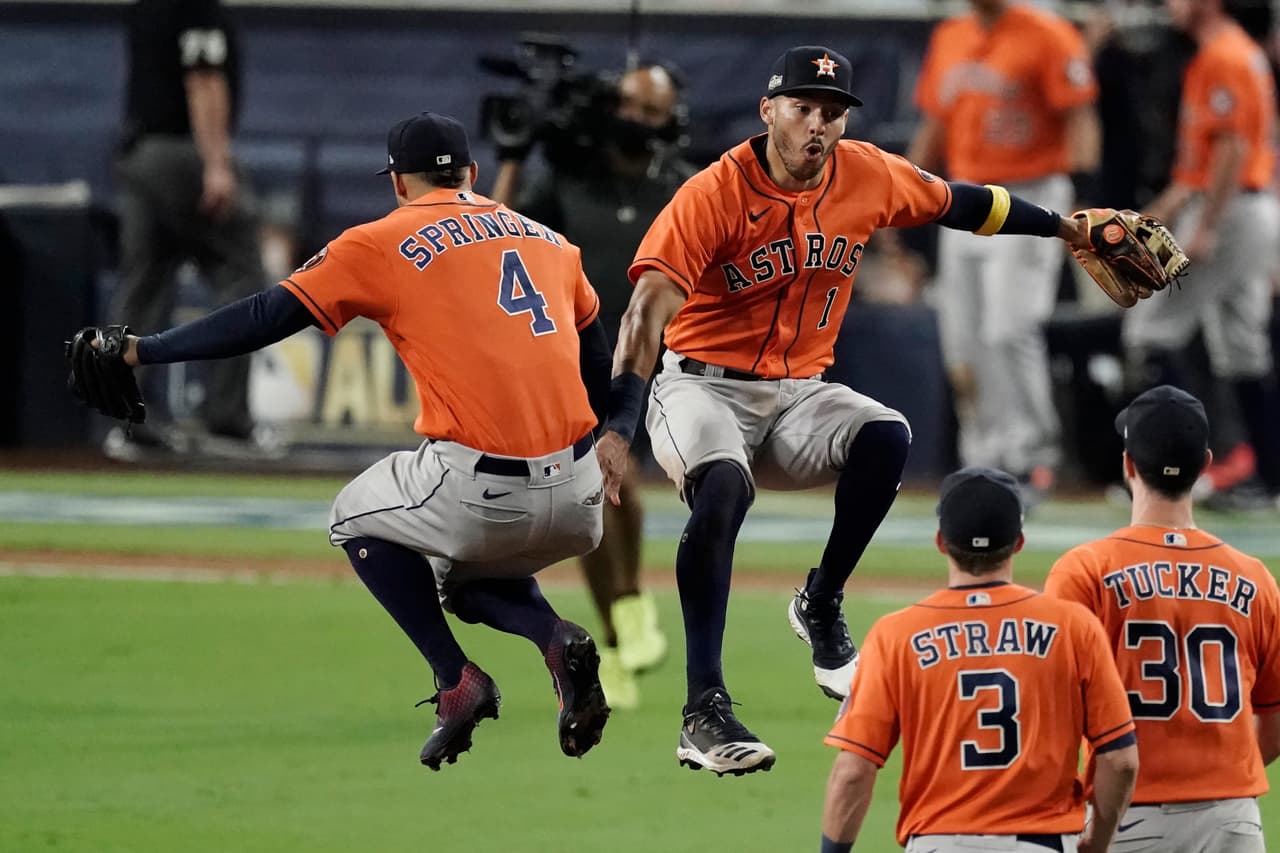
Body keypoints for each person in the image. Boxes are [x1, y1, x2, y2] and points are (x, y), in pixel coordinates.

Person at [595, 44, 1111, 776]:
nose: (817, 123)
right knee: (722, 486)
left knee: (885, 434)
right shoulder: (714, 193)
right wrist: (620, 424)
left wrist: (1063, 227)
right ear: (768, 109)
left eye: (832, 112)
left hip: (798, 391)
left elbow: (963, 202)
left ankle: (821, 600)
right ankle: (702, 708)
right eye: (803, 107)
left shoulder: (866, 172)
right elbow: (647, 310)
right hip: (699, 385)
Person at [81, 112, 614, 770]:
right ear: (472, 174)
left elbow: (264, 313)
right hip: (585, 495)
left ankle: (456, 678)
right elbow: (600, 362)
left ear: (398, 183)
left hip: (484, 488)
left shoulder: (383, 239)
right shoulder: (549, 241)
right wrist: (614, 435)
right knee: (462, 571)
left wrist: (143, 350)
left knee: (354, 516)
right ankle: (553, 636)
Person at [490, 63, 691, 709]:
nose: (635, 120)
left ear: (673, 119)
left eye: (651, 110)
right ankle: (622, 619)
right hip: (575, 357)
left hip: (663, 362)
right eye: (626, 104)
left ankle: (619, 620)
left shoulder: (684, 189)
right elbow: (496, 236)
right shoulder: (570, 181)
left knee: (611, 497)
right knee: (605, 487)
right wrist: (515, 157)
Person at [820, 467, 1139, 853]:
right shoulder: (1074, 627)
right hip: (1042, 842)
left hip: (938, 842)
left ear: (941, 541)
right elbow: (1120, 759)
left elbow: (854, 771)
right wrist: (1098, 843)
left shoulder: (896, 634)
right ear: (1019, 542)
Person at [1045, 385, 1280, 852]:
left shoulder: (1087, 569)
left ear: (1129, 464)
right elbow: (1274, 716)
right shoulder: (1254, 578)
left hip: (1129, 817)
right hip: (1233, 820)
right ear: (1206, 465)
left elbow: (1051, 710)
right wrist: (1218, 770)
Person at [908, 0, 1101, 496]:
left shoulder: (1049, 33)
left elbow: (1081, 120)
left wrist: (1082, 202)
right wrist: (902, 191)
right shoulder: (952, 33)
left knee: (1009, 327)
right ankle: (984, 456)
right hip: (966, 196)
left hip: (1032, 190)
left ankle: (1030, 456)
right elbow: (935, 125)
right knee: (963, 337)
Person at [1122, 0, 1280, 507]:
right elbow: (1204, 160)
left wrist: (1205, 226)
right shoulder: (1233, 51)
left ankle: (1164, 464)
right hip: (1243, 206)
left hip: (1229, 212)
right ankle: (1265, 475)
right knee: (1241, 349)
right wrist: (1163, 210)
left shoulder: (1226, 55)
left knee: (1149, 332)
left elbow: (1232, 148)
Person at [111, 0, 267, 456]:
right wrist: (217, 164)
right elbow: (203, 79)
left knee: (143, 284)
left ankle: (126, 419)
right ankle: (227, 421)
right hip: (183, 153)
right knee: (243, 276)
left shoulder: (145, 8)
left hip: (139, 153)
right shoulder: (197, 8)